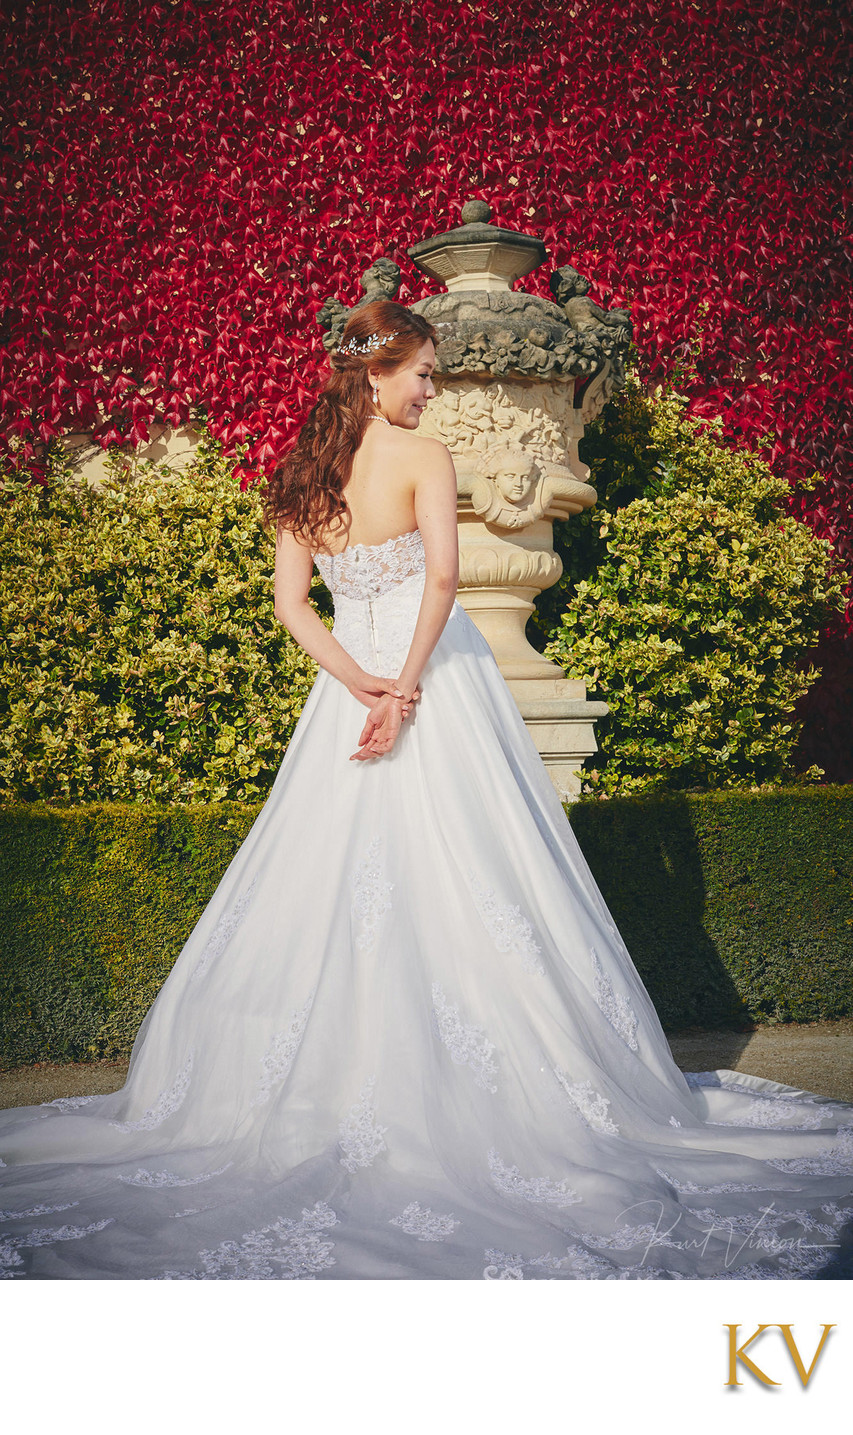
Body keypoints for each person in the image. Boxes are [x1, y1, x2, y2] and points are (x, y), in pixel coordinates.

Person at [1, 299, 851, 1281]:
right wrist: (403, 688)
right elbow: (443, 581)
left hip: (349, 689)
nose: (430, 388)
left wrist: (356, 681)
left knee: (342, 868)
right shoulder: (427, 458)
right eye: (422, 373)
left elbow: (290, 606)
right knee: (478, 863)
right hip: (433, 681)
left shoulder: (304, 476)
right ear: (376, 374)